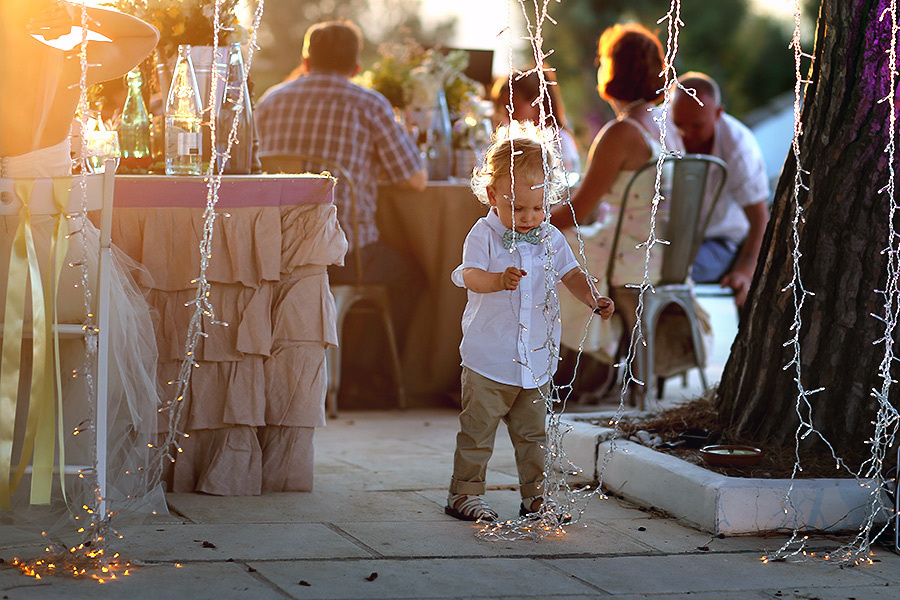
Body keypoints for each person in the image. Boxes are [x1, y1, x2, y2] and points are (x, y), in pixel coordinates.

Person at [0, 1, 163, 522]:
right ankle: (48, 471)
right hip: (61, 264)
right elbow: (144, 37)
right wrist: (77, 12)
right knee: (73, 343)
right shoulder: (68, 58)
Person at [446, 123, 614, 521]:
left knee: (534, 438)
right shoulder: (483, 234)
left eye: (537, 208)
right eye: (517, 208)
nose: (528, 217)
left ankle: (535, 499)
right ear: (492, 196)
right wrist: (496, 281)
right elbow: (468, 275)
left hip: (535, 358)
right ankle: (464, 494)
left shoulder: (550, 236)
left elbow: (570, 274)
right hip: (489, 356)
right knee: (477, 433)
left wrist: (593, 299)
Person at [255, 21, 427, 359]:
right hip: (345, 255)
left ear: (305, 62)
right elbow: (415, 180)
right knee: (415, 276)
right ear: (356, 68)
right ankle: (367, 374)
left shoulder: (269, 101)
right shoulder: (369, 104)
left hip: (275, 251)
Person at [671, 72, 770, 307]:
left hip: (722, 242)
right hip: (674, 238)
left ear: (718, 114)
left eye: (697, 125)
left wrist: (745, 272)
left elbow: (760, 219)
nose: (686, 134)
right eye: (679, 124)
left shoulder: (739, 147)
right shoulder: (664, 127)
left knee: (667, 271)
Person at [491, 69, 581, 174]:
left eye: (512, 106)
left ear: (535, 100)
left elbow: (566, 181)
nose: (507, 113)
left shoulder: (559, 139)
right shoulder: (518, 135)